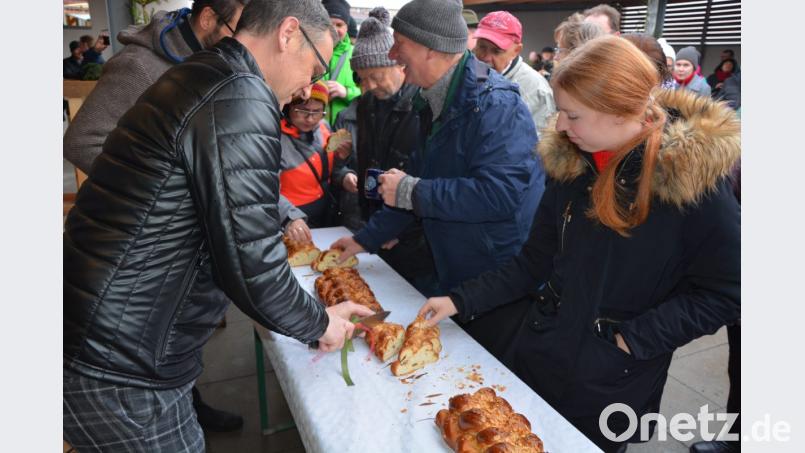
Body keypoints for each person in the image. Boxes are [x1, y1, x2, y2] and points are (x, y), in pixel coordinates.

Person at [63, 1, 374, 451]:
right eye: (314, 67)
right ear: (288, 33)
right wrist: (319, 323)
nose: (310, 87)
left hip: (101, 339)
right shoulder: (240, 94)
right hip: (121, 364)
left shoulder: (203, 73)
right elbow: (253, 264)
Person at [417, 35, 741, 453]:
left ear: (620, 110)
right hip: (542, 353)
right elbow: (533, 261)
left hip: (612, 379)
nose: (560, 127)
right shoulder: (573, 165)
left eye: (572, 115)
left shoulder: (691, 185)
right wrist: (459, 300)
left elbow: (730, 289)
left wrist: (633, 339)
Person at [332, 0, 545, 353]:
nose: (393, 53)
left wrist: (412, 191)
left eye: (400, 43)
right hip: (454, 266)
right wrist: (365, 239)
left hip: (491, 277)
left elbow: (501, 194)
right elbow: (416, 181)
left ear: (430, 48)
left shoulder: (495, 104)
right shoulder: (432, 100)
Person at [338, 6, 438, 295]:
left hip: (413, 235)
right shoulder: (366, 106)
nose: (369, 86)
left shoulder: (424, 106)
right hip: (378, 225)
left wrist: (399, 230)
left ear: (399, 65)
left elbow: (426, 178)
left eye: (376, 76)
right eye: (362, 78)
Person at [279, 81, 352, 227]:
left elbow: (329, 171)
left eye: (317, 111)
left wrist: (343, 171)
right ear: (288, 107)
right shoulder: (275, 138)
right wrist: (290, 218)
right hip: (292, 219)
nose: (310, 119)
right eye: (302, 111)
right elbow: (266, 190)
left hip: (325, 212)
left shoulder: (324, 127)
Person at [473, 11, 555, 132]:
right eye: (482, 47)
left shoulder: (536, 89)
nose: (486, 57)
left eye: (496, 51)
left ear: (516, 50)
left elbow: (540, 140)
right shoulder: (467, 74)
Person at [322, 0, 361, 125]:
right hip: (312, 129)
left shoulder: (357, 55)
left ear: (346, 27)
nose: (334, 30)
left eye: (339, 25)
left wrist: (346, 92)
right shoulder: (307, 51)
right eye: (329, 24)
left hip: (344, 131)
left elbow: (370, 94)